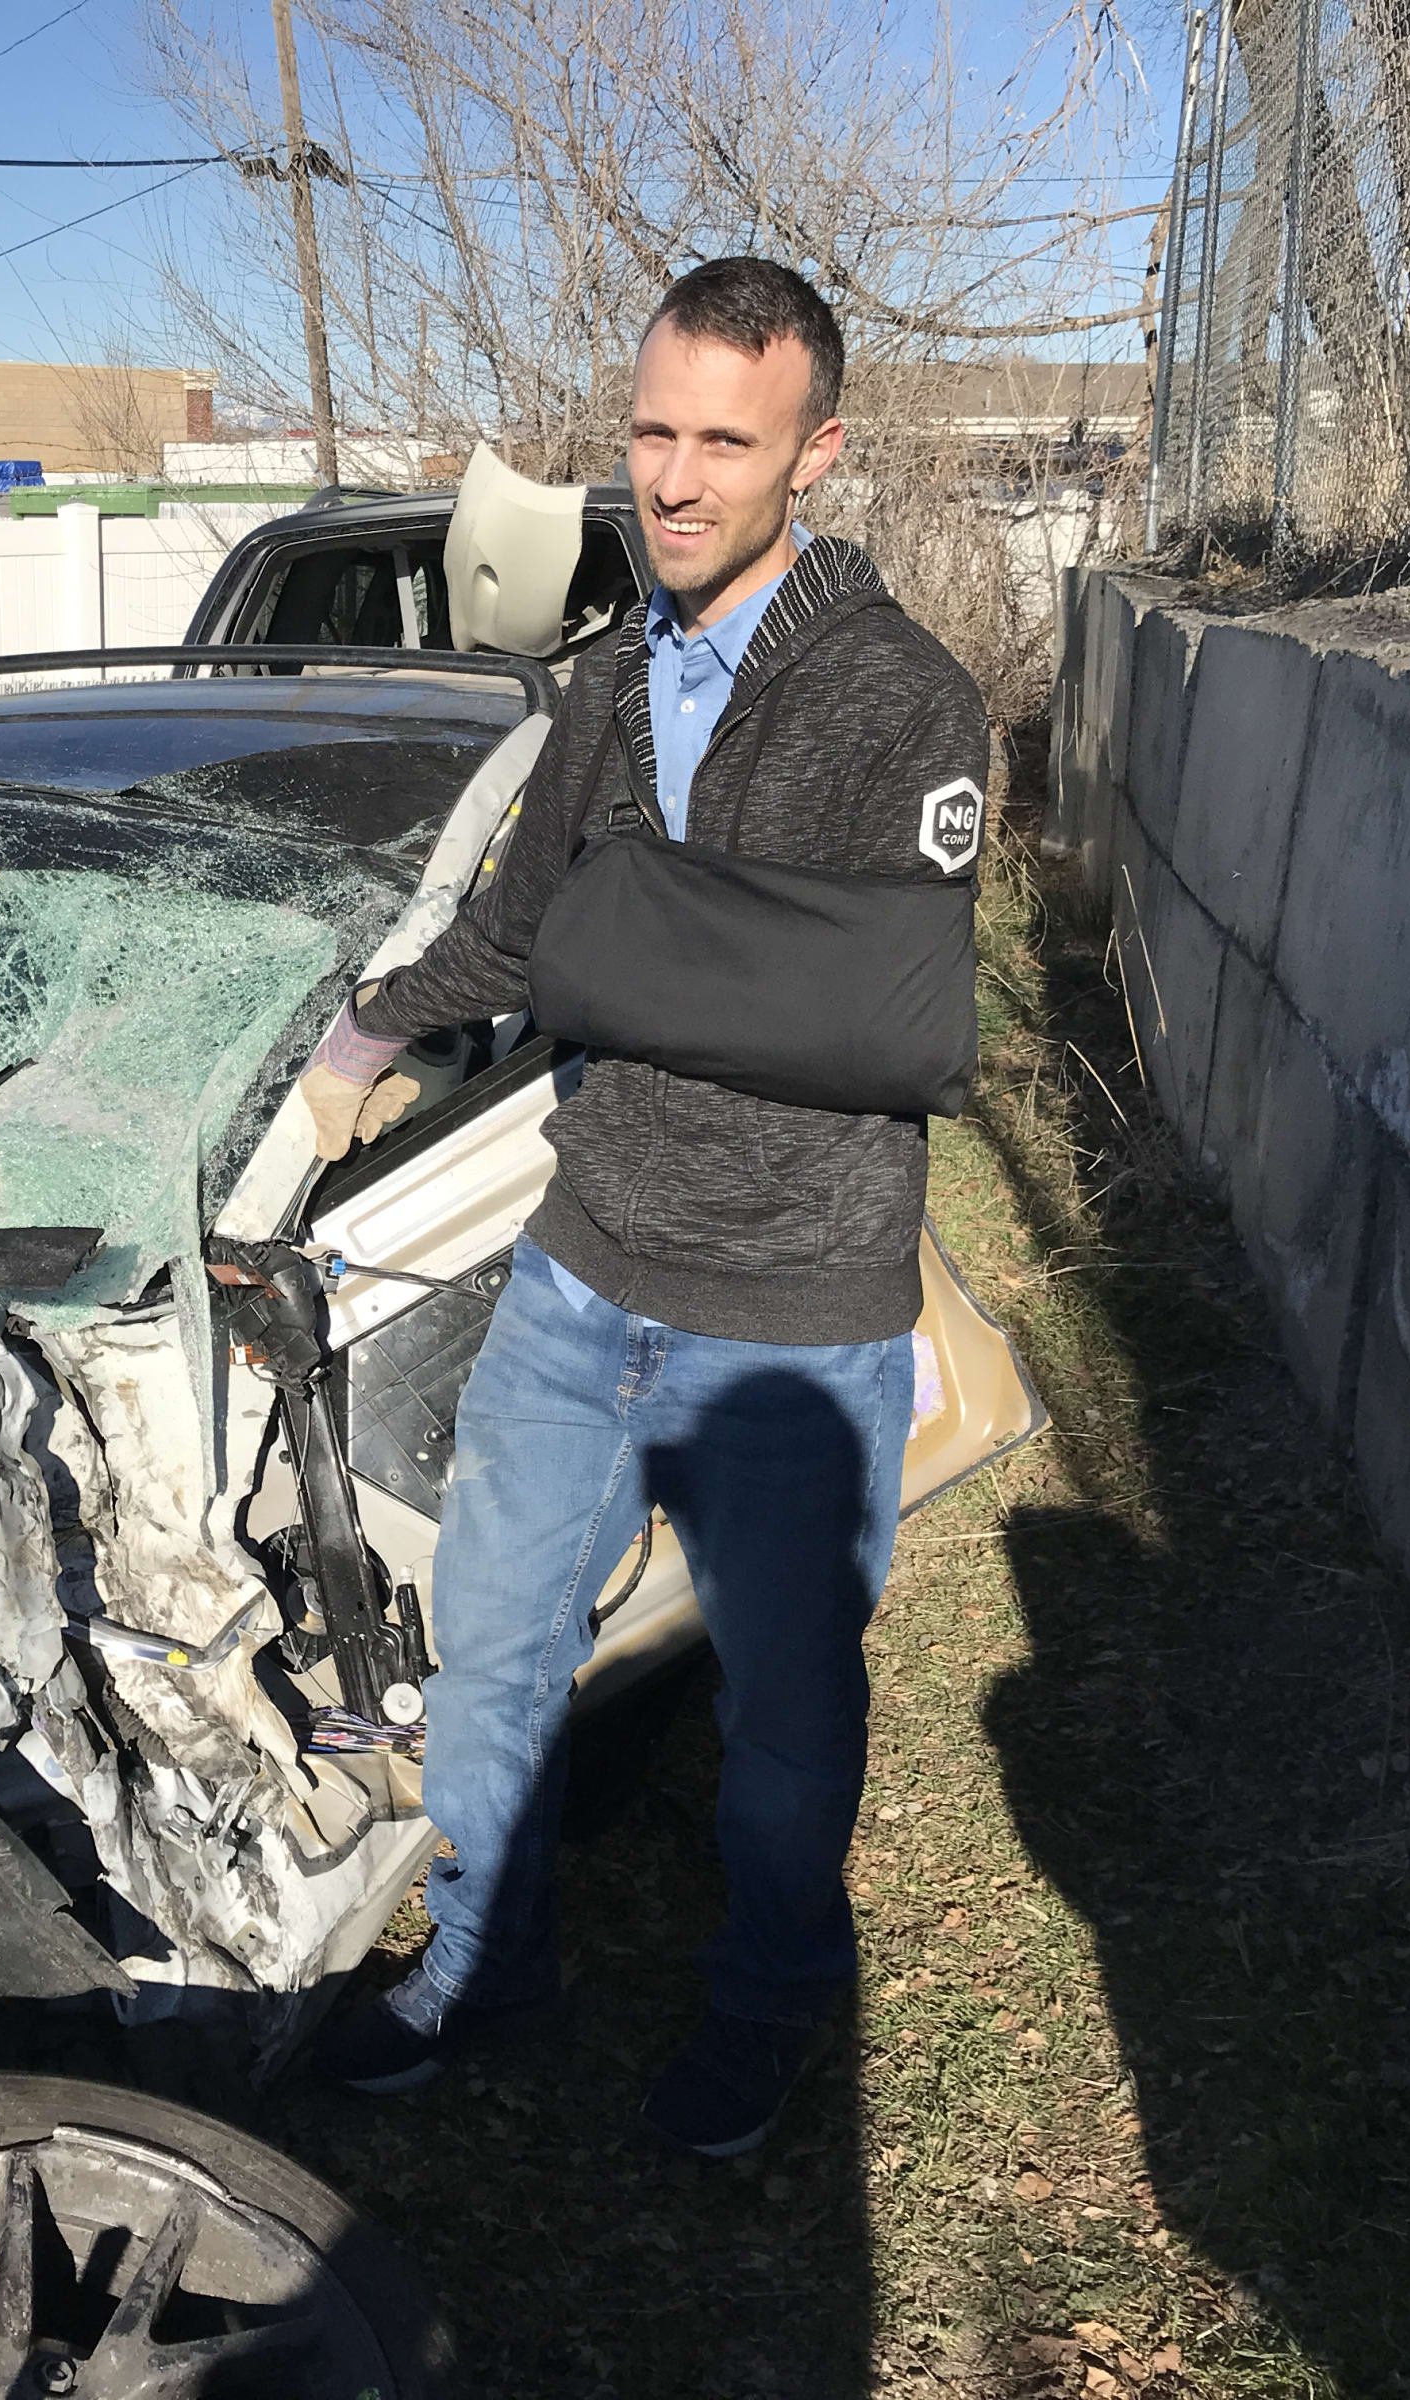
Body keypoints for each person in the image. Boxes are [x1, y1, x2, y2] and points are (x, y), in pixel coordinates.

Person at [296, 256, 988, 2158]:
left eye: (725, 442)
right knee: (494, 1655)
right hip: (583, 1276)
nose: (673, 481)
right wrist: (363, 1036)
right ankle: (479, 1964)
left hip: (788, 1310)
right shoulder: (605, 682)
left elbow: (881, 1021)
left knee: (779, 1727)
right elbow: (534, 935)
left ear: (814, 455)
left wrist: (621, 948)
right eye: (653, 432)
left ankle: (770, 2005)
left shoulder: (904, 705)